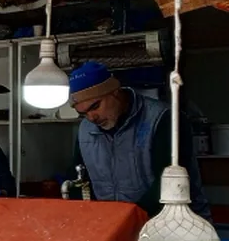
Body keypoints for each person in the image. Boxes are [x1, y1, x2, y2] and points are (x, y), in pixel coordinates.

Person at [68, 61, 210, 218]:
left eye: (95, 107)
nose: (91, 118)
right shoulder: (85, 130)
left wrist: (129, 218)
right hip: (115, 224)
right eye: (83, 113)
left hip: (174, 223)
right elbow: (78, 180)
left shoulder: (162, 119)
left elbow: (169, 182)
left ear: (115, 92)